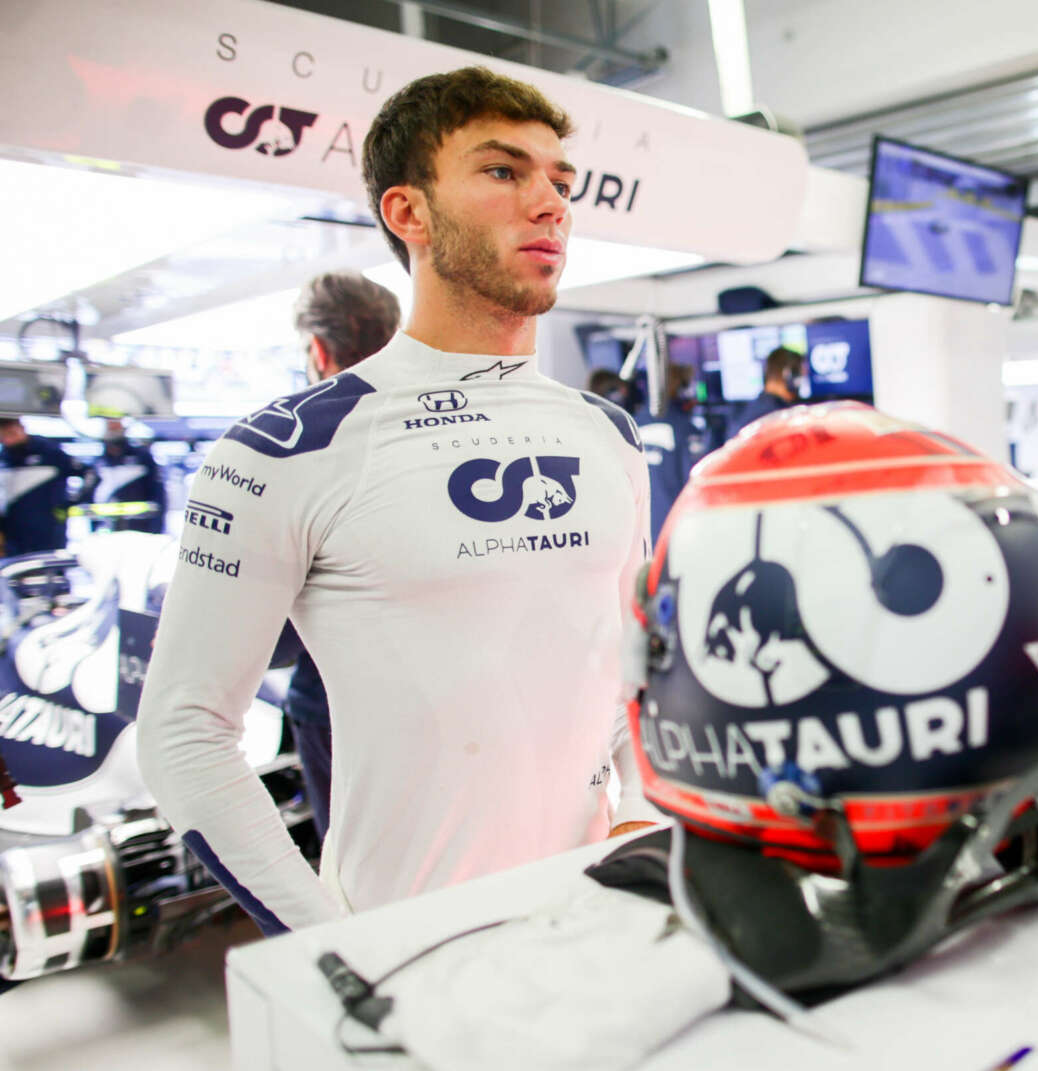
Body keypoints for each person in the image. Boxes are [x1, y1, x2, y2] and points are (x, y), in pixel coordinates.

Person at [138, 66, 657, 935]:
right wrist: (333, 950)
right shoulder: (289, 447)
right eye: (503, 171)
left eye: (560, 182)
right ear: (408, 212)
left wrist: (637, 816)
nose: (550, 204)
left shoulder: (607, 433)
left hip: (598, 919)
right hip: (407, 943)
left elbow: (629, 667)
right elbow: (184, 733)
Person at [274, 270, 403, 837]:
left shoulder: (290, 448)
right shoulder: (447, 431)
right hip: (442, 697)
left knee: (358, 868)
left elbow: (270, 639)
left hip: (334, 706)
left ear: (319, 351)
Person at [632, 362, 709, 546]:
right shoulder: (686, 429)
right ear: (681, 388)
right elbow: (698, 482)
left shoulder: (631, 425)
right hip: (679, 532)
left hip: (641, 535)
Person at [0, 416, 83, 556]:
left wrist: (68, 504)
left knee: (50, 563)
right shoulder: (4, 458)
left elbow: (88, 473)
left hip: (48, 527)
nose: (8, 439)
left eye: (11, 433)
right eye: (3, 435)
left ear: (21, 428)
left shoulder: (50, 451)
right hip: (14, 531)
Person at [90, 419, 166, 533]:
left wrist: (156, 528)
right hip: (107, 528)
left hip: (140, 528)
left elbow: (158, 494)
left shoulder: (142, 458)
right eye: (110, 426)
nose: (113, 429)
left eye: (116, 426)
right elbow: (92, 496)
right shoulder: (99, 462)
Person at [729, 346, 803, 434]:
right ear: (789, 375)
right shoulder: (778, 416)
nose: (800, 383)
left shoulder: (752, 410)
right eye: (800, 377)